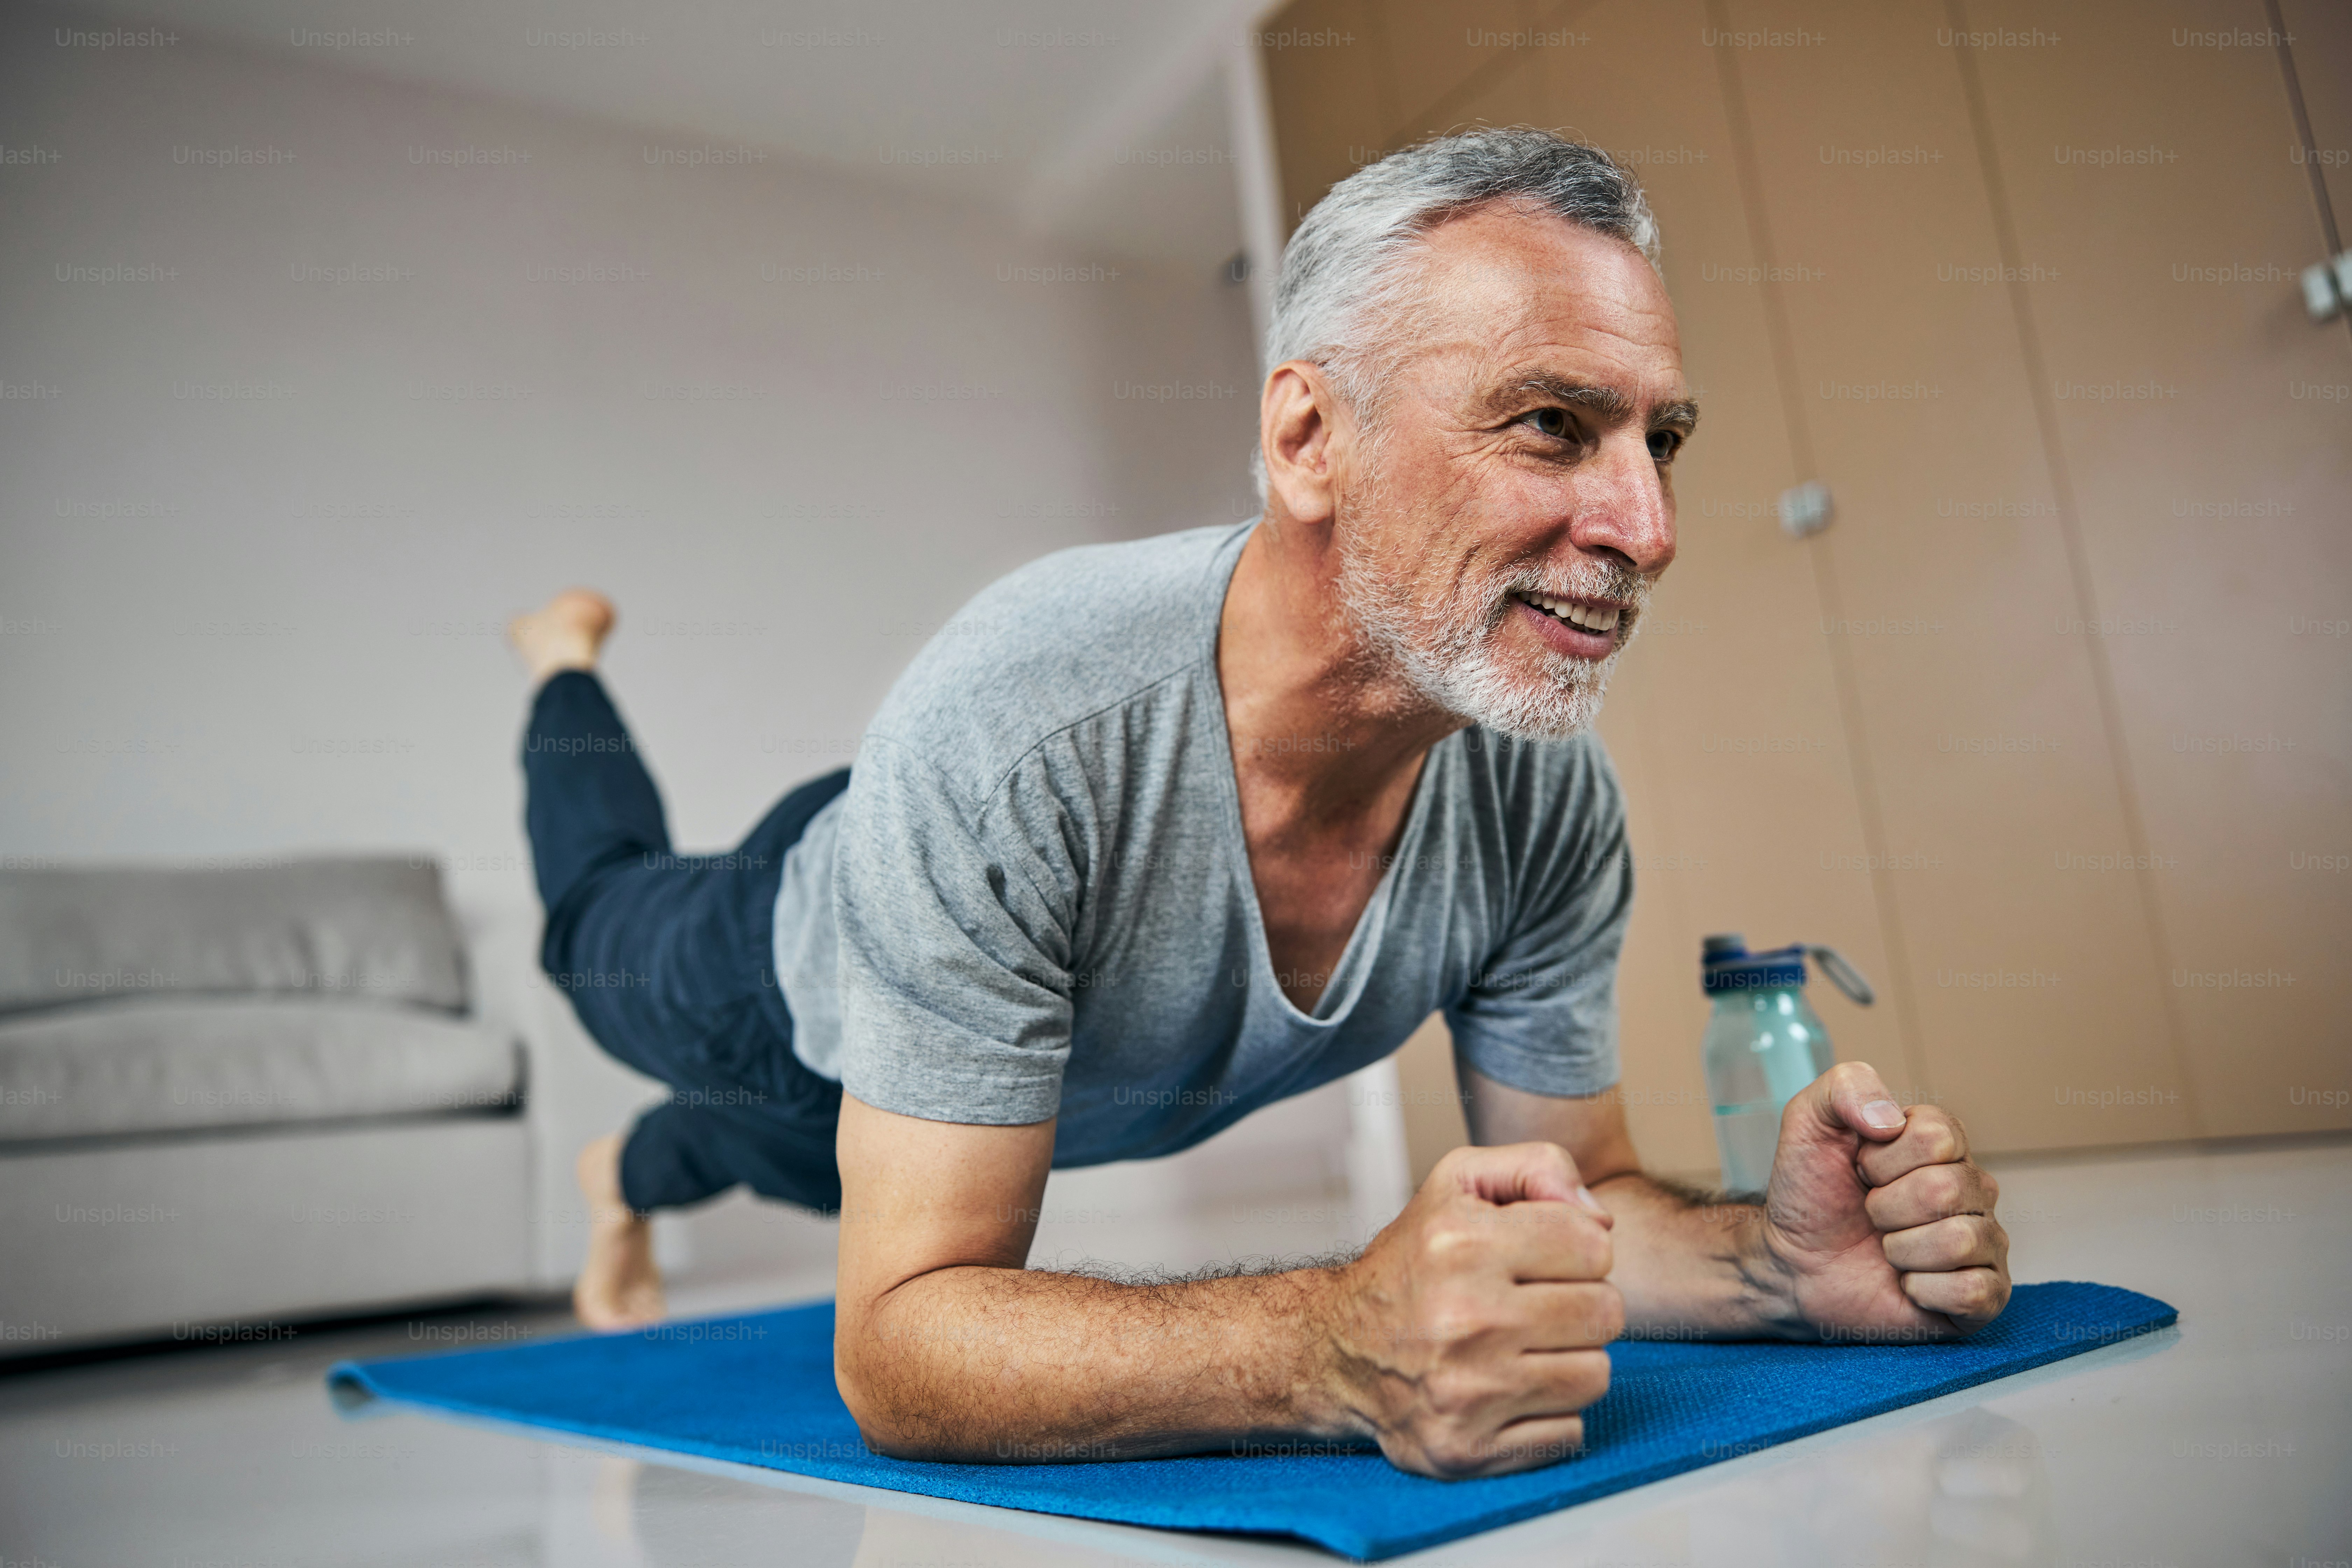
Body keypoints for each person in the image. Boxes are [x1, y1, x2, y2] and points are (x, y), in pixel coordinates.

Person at [506, 127, 2010, 1481]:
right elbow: (898, 1347)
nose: (1648, 528)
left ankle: (626, 1174)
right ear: (1308, 442)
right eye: (1553, 423)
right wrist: (1334, 1343)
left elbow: (1591, 1194)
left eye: (1659, 438)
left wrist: (1775, 1269)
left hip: (995, 1067)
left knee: (746, 1156)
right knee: (593, 923)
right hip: (767, 972)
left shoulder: (1545, 800)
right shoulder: (1011, 737)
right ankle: (562, 665)